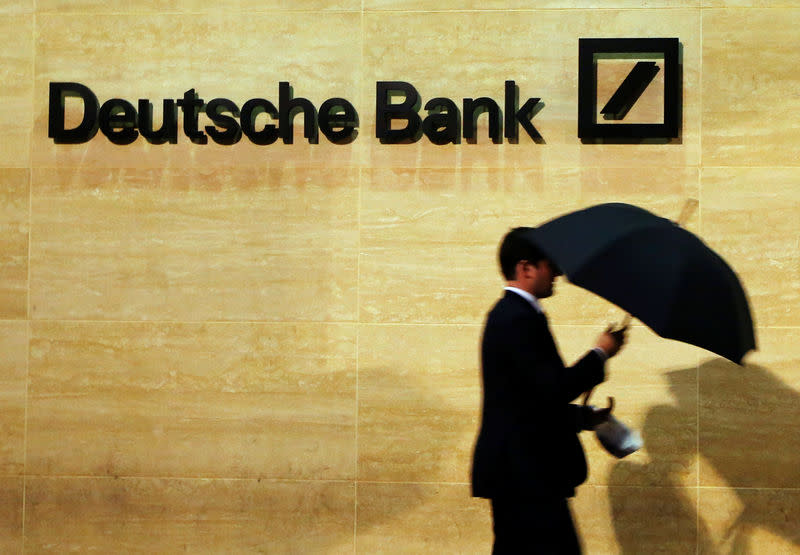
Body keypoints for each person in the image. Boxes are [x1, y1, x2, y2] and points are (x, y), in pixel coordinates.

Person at [471, 227, 628, 554]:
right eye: (550, 264)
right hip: (524, 474)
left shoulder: (518, 315)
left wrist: (585, 417)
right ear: (526, 268)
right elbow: (553, 388)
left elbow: (528, 401)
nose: (557, 272)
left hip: (526, 472)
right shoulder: (515, 318)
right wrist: (600, 352)